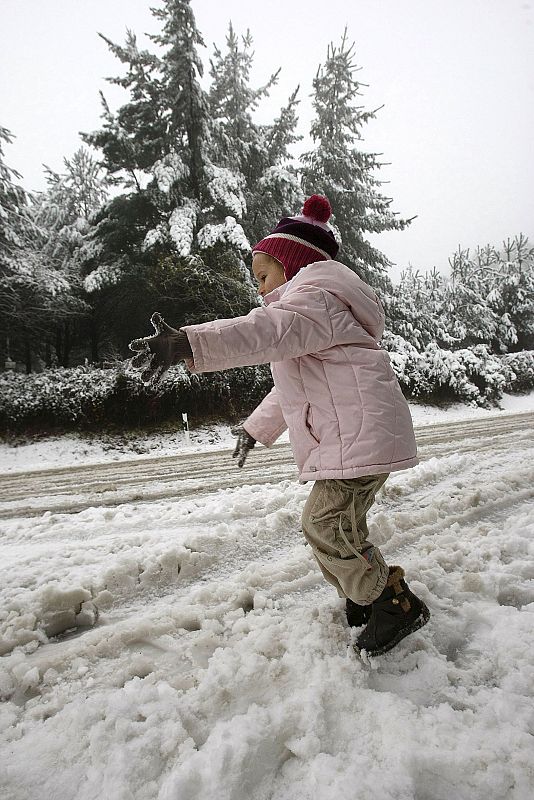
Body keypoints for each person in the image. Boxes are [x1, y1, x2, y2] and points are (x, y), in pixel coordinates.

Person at [129, 195, 430, 657]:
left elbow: (261, 331)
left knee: (325, 525)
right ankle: (365, 596)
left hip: (356, 440)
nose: (260, 288)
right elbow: (291, 392)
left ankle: (392, 603)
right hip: (356, 438)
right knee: (340, 525)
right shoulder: (318, 311)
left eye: (264, 276)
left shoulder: (314, 301)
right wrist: (255, 429)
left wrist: (190, 342)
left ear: (294, 265)